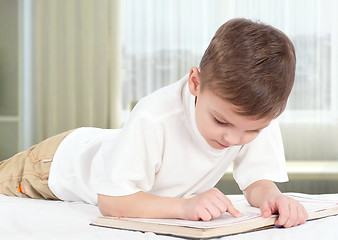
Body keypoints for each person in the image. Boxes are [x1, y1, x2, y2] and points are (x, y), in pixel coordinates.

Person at [0, 18, 308, 228]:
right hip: (55, 163)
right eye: (220, 121)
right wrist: (184, 208)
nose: (233, 139)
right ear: (195, 82)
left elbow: (256, 182)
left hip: (111, 146)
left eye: (253, 131)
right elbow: (111, 200)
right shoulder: (155, 115)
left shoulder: (253, 114)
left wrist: (273, 198)